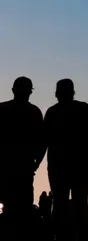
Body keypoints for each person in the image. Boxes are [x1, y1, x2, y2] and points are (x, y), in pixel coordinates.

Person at [39, 79, 88, 228]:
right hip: (76, 167)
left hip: (63, 167)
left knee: (64, 204)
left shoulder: (53, 112)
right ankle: (75, 235)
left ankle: (64, 235)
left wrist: (36, 161)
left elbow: (43, 141)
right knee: (75, 204)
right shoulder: (82, 109)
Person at [0, 77, 43, 219]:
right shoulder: (34, 112)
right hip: (21, 167)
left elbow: (42, 141)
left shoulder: (3, 109)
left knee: (11, 206)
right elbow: (42, 141)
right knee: (22, 207)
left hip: (13, 167)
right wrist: (37, 162)